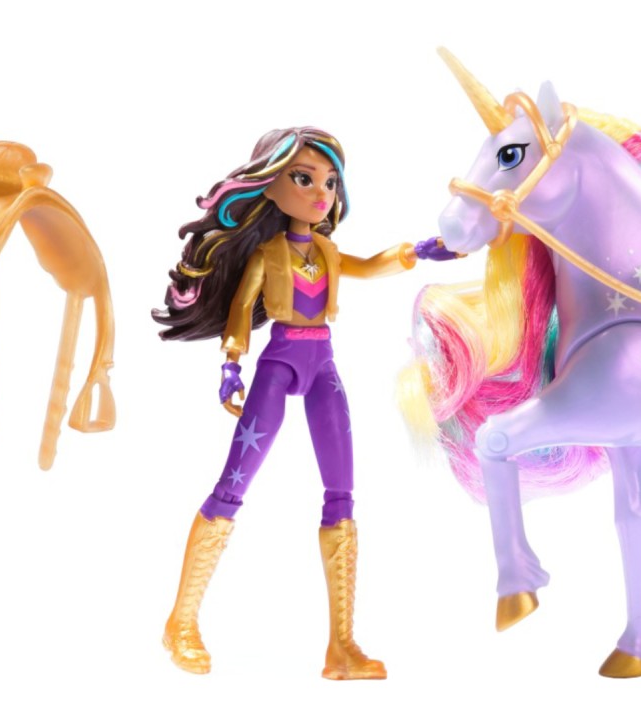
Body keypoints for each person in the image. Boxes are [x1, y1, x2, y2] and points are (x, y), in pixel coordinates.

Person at [153, 127, 454, 678]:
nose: (322, 193)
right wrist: (230, 364)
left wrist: (418, 251)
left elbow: (370, 266)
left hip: (322, 367)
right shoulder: (266, 254)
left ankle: (342, 647)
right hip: (279, 363)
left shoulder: (327, 251)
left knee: (342, 494)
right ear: (269, 186)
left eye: (330, 182)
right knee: (232, 487)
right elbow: (240, 310)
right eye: (304, 179)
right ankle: (181, 622)